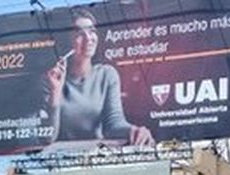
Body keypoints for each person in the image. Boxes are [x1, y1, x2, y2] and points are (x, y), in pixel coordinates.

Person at [43, 8, 153, 147]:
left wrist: (134, 131)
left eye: (92, 31)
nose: (88, 38)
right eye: (79, 33)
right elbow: (47, 138)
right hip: (61, 162)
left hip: (98, 158)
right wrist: (55, 93)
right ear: (67, 41)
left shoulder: (106, 74)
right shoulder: (51, 80)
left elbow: (113, 124)